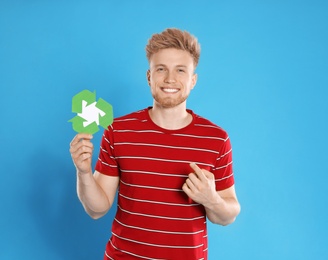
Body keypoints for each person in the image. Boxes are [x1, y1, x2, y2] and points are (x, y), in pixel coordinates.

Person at [70, 28, 240, 259]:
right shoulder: (118, 131)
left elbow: (228, 215)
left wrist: (212, 200)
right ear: (150, 76)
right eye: (161, 69)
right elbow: (97, 209)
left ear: (193, 80)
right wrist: (83, 172)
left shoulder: (216, 139)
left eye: (180, 70)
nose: (170, 79)